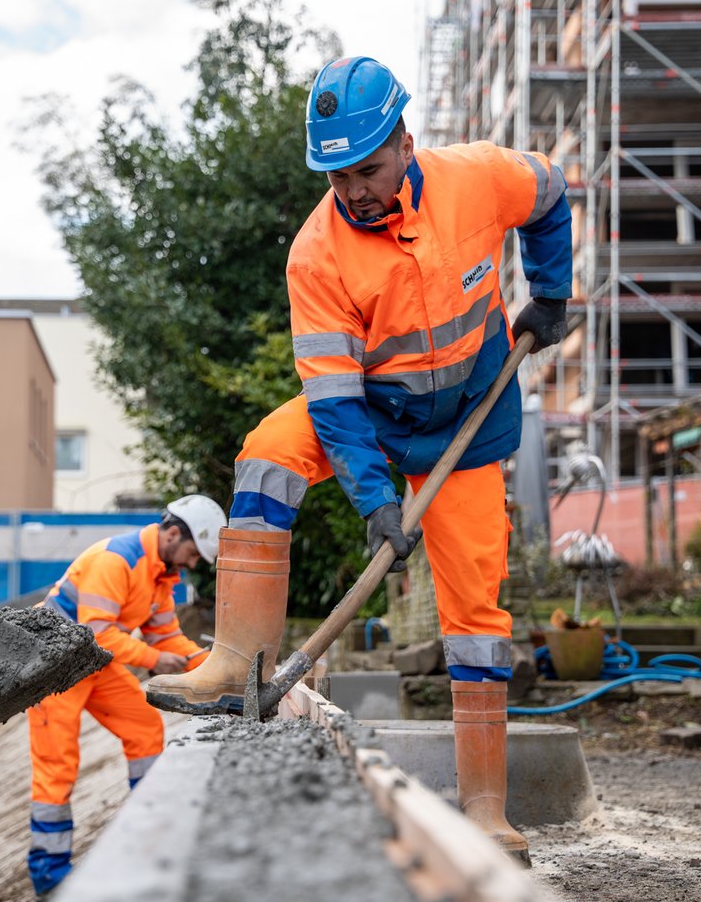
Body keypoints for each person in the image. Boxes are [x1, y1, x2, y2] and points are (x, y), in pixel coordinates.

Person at [146, 55, 571, 862]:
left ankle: (485, 806)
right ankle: (234, 662)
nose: (353, 191)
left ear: (406, 142)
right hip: (372, 417)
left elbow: (550, 193)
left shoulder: (478, 179)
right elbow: (335, 403)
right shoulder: (317, 255)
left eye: (368, 169)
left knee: (477, 619)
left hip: (465, 433)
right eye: (336, 175)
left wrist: (551, 292)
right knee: (269, 452)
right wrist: (375, 499)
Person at [25, 493, 227, 896]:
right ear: (172, 535)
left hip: (92, 663)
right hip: (51, 667)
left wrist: (208, 662)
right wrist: (156, 659)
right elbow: (97, 631)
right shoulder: (116, 560)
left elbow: (165, 634)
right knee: (58, 765)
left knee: (146, 727)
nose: (191, 565)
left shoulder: (159, 573)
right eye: (191, 554)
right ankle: (49, 872)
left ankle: (149, 834)